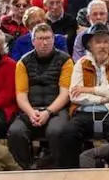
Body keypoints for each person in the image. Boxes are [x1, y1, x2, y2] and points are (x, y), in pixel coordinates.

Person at [58, 24, 109, 168]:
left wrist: (89, 89)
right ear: (90, 46)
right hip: (84, 112)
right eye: (98, 42)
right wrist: (104, 97)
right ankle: (72, 172)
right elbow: (75, 95)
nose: (102, 46)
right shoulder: (81, 63)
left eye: (105, 42)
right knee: (67, 133)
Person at [8, 23, 72, 168]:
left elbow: (65, 94)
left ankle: (58, 169)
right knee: (15, 132)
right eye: (41, 38)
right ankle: (24, 168)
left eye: (48, 38)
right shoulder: (23, 62)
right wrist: (31, 112)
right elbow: (21, 94)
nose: (45, 42)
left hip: (56, 110)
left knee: (56, 132)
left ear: (54, 39)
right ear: (33, 41)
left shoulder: (66, 60)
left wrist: (48, 112)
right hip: (31, 109)